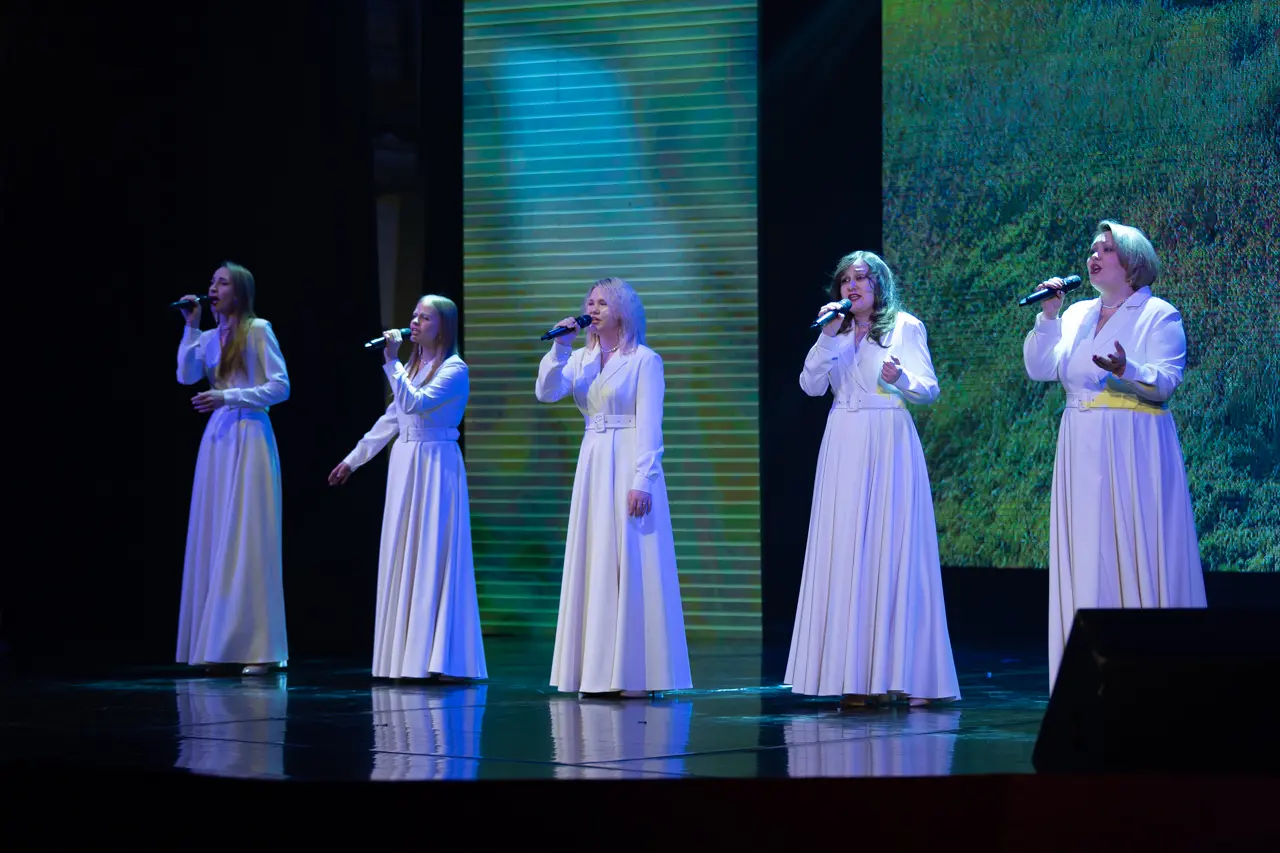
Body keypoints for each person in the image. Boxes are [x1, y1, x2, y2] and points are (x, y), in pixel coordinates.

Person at [1024, 220, 1206, 691]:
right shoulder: (1076, 313)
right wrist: (1048, 317)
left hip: (1133, 444)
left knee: (1133, 545)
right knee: (1087, 552)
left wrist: (1128, 369)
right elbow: (1041, 368)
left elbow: (1165, 382)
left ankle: (1151, 675)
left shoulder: (1158, 314)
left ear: (1132, 262)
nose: (1095, 255)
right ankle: (1089, 677)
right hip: (1080, 443)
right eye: (1093, 248)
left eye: (1106, 248)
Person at [786, 251, 960, 708]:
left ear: (879, 285)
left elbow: (929, 388)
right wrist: (826, 335)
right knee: (846, 551)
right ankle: (855, 678)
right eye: (845, 279)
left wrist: (901, 378)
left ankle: (901, 675)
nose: (852, 286)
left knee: (889, 549)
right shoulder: (836, 331)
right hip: (843, 442)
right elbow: (810, 386)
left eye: (861, 278)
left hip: (888, 440)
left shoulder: (905, 326)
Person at [535, 277, 692, 698]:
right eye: (590, 302)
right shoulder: (580, 358)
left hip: (627, 459)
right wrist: (560, 347)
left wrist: (643, 480)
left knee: (631, 561)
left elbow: (650, 426)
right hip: (593, 459)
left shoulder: (644, 360)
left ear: (623, 310)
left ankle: (634, 675)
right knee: (596, 559)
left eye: (603, 303)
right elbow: (547, 393)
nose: (593, 309)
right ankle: (595, 671)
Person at [328, 295, 487, 682]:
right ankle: (405, 657)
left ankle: (438, 658)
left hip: (436, 466)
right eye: (414, 315)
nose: (414, 322)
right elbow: (392, 420)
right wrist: (353, 460)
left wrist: (390, 361)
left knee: (433, 551)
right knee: (405, 550)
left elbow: (415, 404)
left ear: (443, 326)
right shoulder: (413, 367)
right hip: (406, 464)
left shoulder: (454, 369)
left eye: (425, 318)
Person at [175, 262, 289, 677]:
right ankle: (217, 644)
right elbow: (186, 375)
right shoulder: (207, 337)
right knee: (216, 534)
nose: (213, 288)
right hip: (218, 440)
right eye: (212, 282)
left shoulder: (258, 330)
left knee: (247, 537)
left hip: (251, 434)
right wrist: (191, 326)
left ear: (238, 292)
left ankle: (261, 648)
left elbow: (281, 387)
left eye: (222, 283)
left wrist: (229, 397)